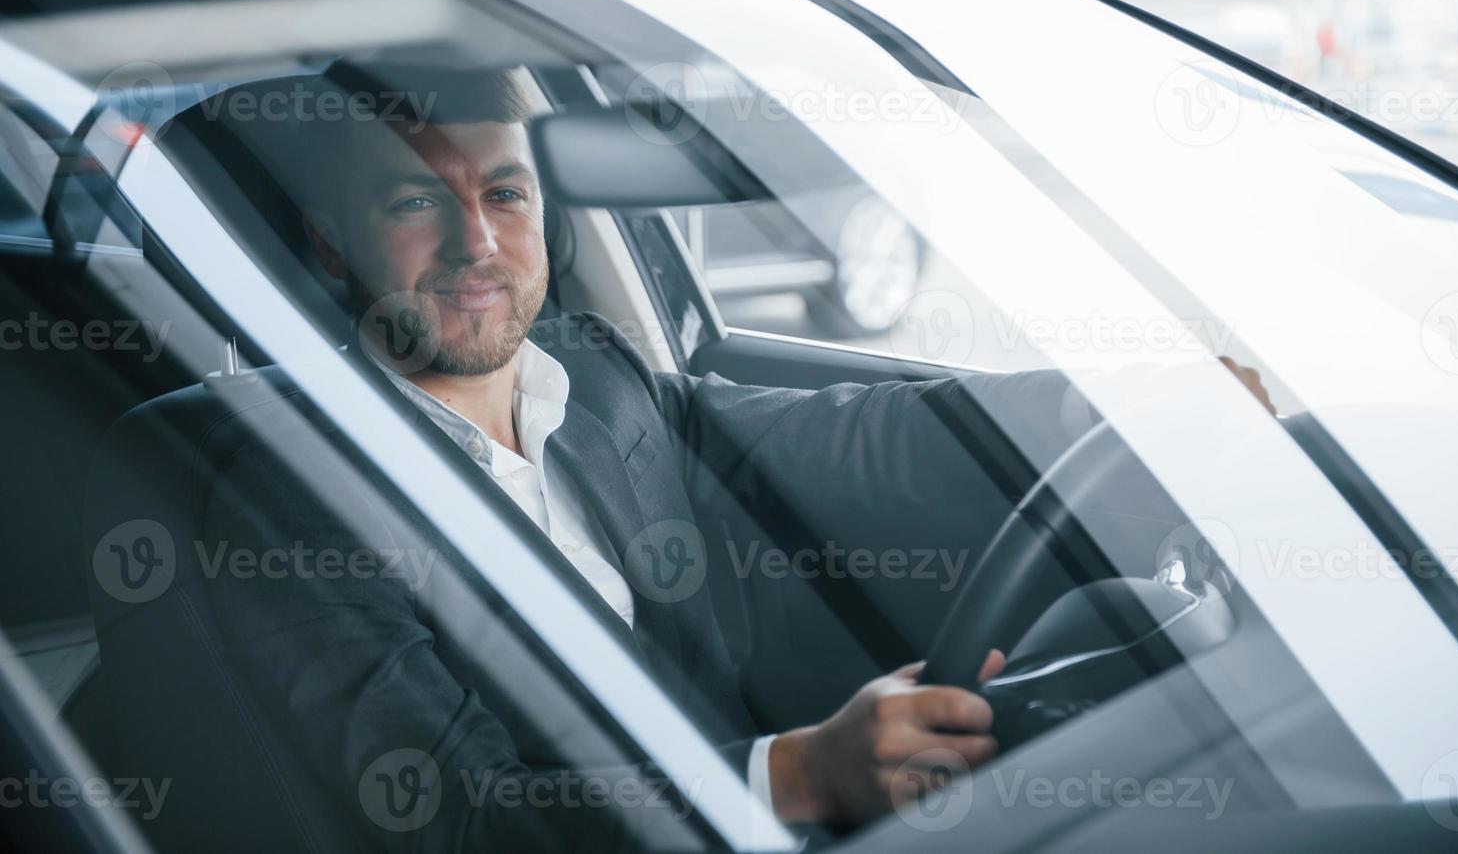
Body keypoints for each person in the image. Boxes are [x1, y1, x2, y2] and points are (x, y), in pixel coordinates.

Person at [203, 64, 1272, 848]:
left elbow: (868, 438)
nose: (475, 241)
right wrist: (798, 773)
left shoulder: (597, 375)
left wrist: (1124, 413)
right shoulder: (291, 496)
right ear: (332, 241)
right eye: (413, 201)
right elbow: (457, 820)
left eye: (504, 193)